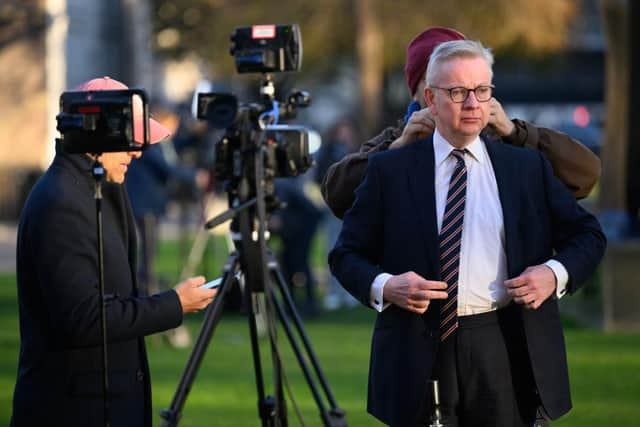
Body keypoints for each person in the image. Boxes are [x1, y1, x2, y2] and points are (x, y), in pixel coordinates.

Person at [329, 40, 606, 427]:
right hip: (417, 345)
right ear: (430, 97)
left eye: (482, 90)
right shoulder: (390, 170)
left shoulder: (525, 168)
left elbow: (588, 235)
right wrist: (386, 285)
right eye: (458, 92)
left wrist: (553, 274)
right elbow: (345, 255)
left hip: (504, 342)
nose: (473, 103)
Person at [11, 76, 217, 427]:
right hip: (73, 411)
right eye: (128, 142)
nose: (137, 153)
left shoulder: (103, 188)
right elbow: (84, 318)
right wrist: (174, 304)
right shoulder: (61, 200)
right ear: (98, 135)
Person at [321, 27, 602, 219]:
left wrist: (516, 133)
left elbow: (584, 176)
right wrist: (395, 149)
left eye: (471, 86)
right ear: (424, 93)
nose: (464, 99)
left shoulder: (503, 137)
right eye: (447, 86)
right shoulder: (399, 139)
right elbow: (338, 197)